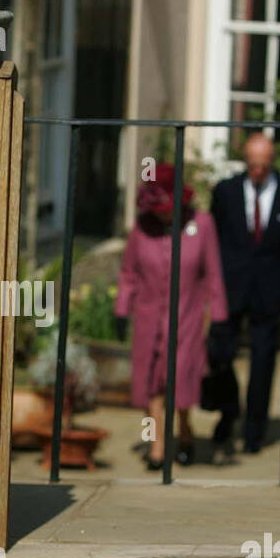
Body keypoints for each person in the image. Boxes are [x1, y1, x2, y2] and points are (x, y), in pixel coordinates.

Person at [114, 164, 228, 470]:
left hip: (187, 317)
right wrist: (122, 310)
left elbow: (214, 273)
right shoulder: (141, 228)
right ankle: (157, 445)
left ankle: (186, 431)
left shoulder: (202, 224)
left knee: (180, 380)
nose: (164, 215)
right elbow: (128, 273)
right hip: (149, 318)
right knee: (152, 383)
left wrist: (218, 317)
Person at [206, 133, 280, 457]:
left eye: (264, 165)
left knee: (263, 360)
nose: (258, 171)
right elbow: (214, 240)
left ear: (272, 161)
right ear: (245, 161)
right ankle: (227, 411)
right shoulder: (226, 191)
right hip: (231, 287)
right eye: (253, 165)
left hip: (269, 290)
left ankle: (254, 431)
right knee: (219, 353)